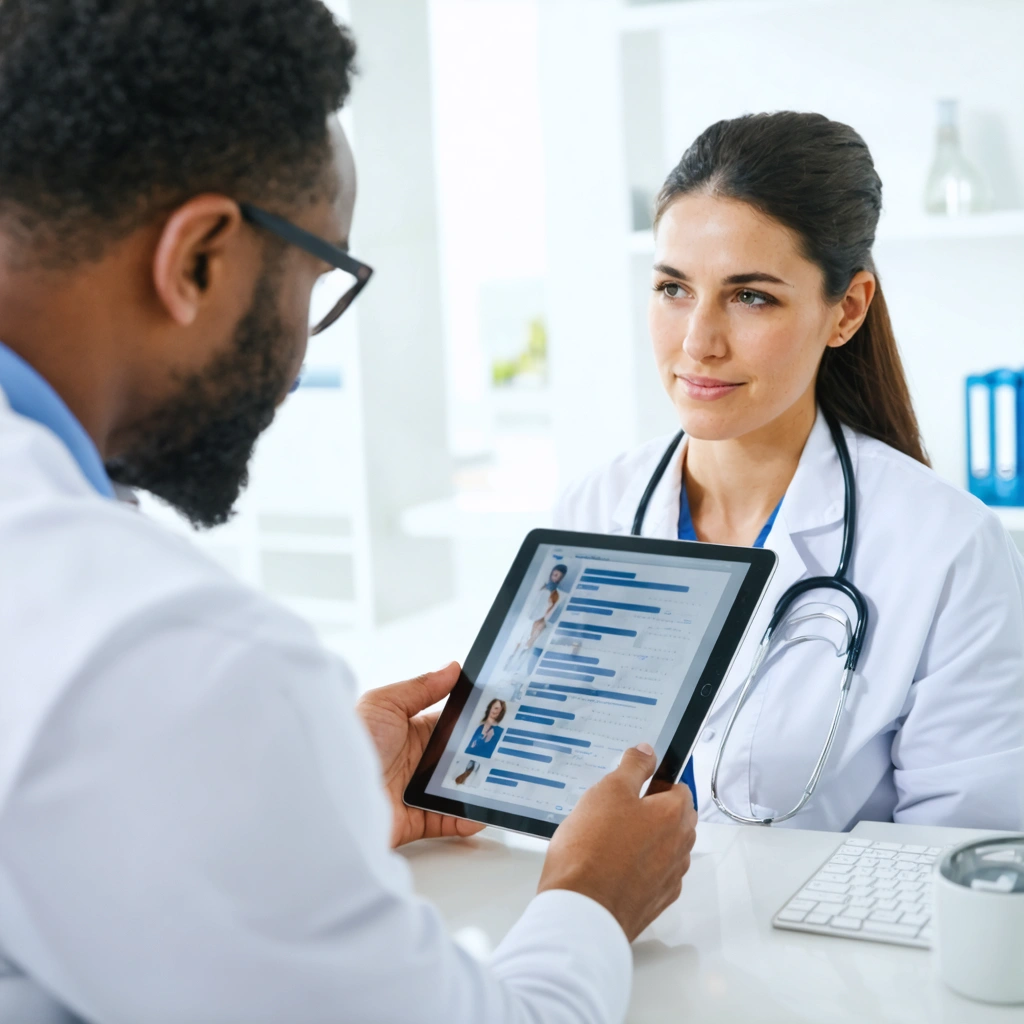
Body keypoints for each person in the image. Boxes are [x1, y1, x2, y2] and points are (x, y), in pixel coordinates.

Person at [0, 4, 697, 1023]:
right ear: (199, 258)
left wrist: (287, 825)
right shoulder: (162, 649)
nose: (293, 365)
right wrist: (592, 898)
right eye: (315, 281)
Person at [556, 112, 1024, 833]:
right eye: (673, 289)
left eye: (751, 297)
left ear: (846, 311)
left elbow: (958, 864)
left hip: (820, 949)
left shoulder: (949, 549)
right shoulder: (594, 509)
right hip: (601, 938)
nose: (697, 341)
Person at [504, 564, 568, 673]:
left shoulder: (558, 594)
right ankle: (507, 667)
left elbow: (550, 609)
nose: (555, 577)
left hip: (539, 621)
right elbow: (532, 604)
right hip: (529, 619)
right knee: (519, 643)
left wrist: (541, 621)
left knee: (528, 645)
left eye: (558, 576)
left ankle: (515, 669)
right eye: (554, 574)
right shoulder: (541, 587)